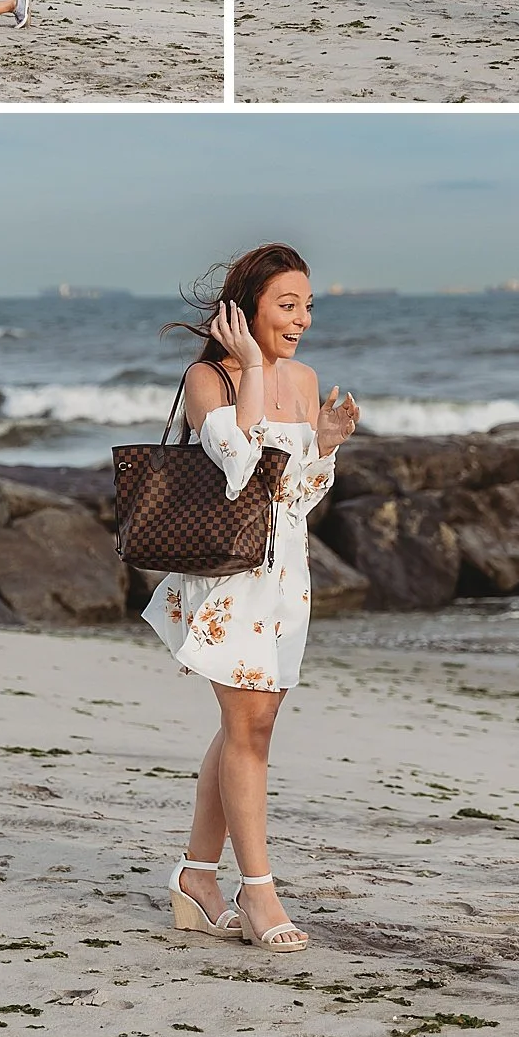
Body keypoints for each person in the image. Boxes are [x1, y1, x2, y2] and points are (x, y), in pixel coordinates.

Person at [144, 244, 360, 952]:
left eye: (307, 305)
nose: (301, 319)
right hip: (227, 578)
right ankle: (258, 892)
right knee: (250, 730)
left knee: (252, 727)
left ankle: (196, 878)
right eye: (286, 304)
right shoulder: (208, 377)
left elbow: (291, 498)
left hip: (284, 577)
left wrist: (324, 446)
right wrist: (255, 374)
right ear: (248, 309)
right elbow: (238, 469)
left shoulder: (303, 378)